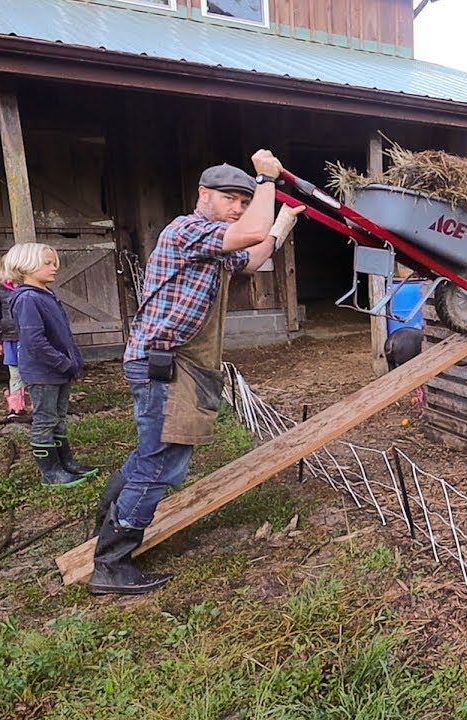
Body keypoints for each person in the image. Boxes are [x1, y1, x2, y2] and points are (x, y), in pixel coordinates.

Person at [88, 150, 306, 596]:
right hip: (164, 364)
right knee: (159, 462)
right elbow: (251, 232)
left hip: (169, 362)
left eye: (244, 201)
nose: (238, 208)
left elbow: (250, 258)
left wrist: (283, 222)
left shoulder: (213, 245)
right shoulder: (187, 230)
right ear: (203, 194)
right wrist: (266, 180)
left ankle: (104, 527)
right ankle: (111, 563)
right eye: (230, 199)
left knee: (152, 454)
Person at [6, 243, 99, 487]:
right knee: (45, 420)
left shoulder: (45, 294)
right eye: (47, 263)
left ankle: (66, 463)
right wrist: (63, 362)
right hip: (43, 372)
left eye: (54, 262)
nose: (54, 267)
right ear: (26, 265)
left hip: (58, 370)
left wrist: (73, 361)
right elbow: (34, 341)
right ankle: (51, 473)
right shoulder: (27, 298)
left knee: (58, 417)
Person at [0, 256, 30, 424]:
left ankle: (40, 406)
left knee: (33, 371)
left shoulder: (30, 289)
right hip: (10, 340)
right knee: (15, 373)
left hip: (29, 340)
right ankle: (16, 409)